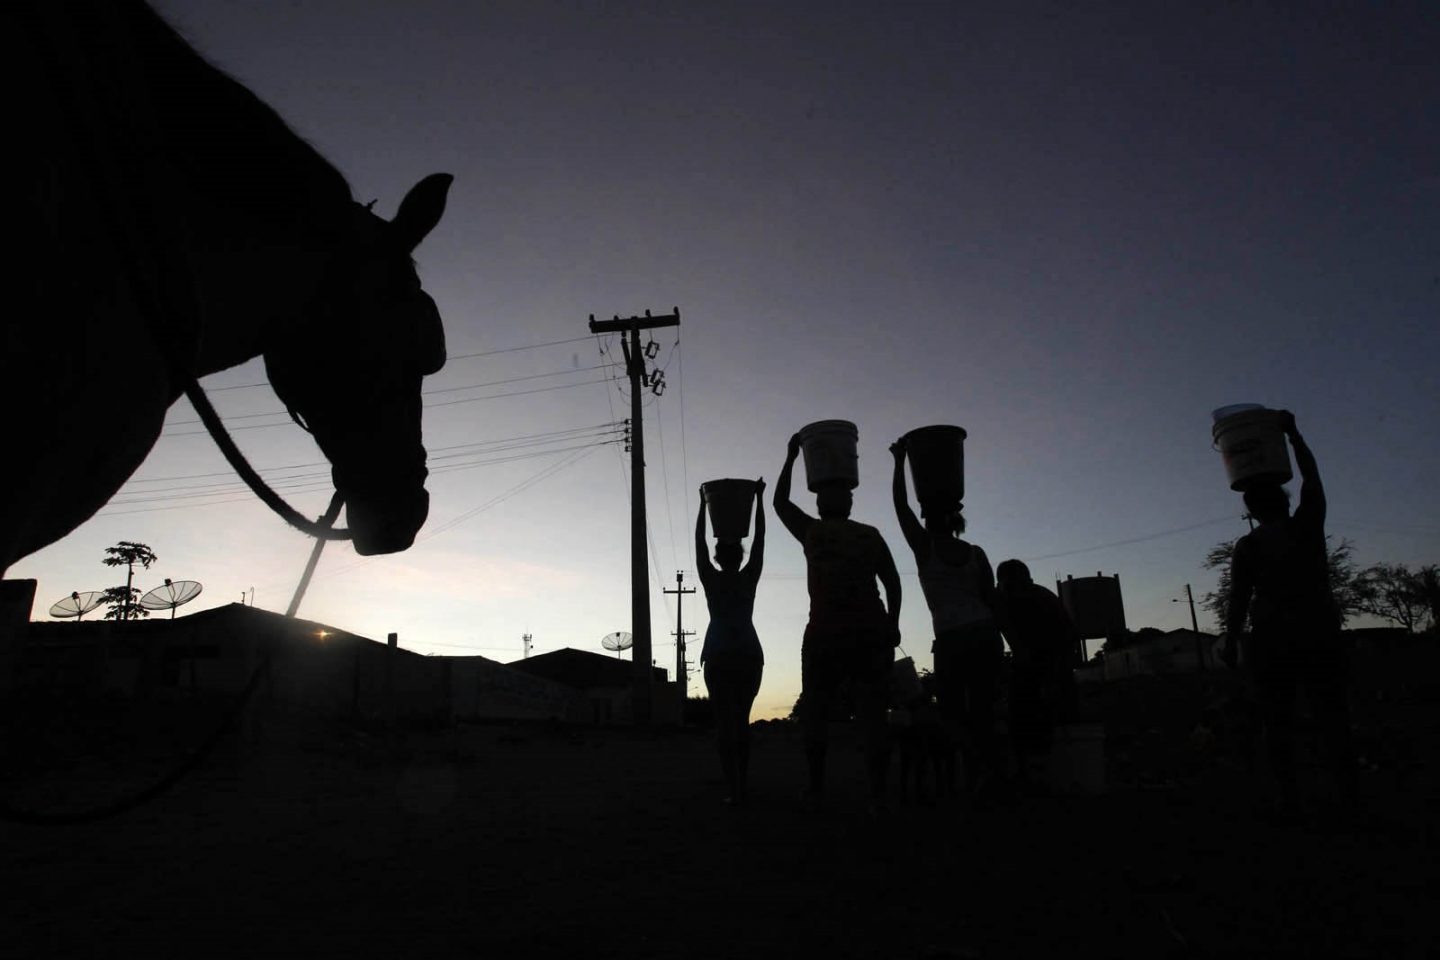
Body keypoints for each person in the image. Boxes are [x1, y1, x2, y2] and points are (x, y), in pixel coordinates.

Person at [1222, 410, 1357, 821]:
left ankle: (1290, 799)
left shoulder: (1248, 547)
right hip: (1318, 632)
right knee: (1330, 715)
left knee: (1276, 720)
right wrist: (1294, 436)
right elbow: (1312, 478)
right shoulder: (1307, 527)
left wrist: (1230, 641)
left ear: (1249, 507)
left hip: (1272, 639)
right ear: (1284, 499)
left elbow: (1239, 601)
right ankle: (1346, 794)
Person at [776, 433, 902, 811]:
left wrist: (791, 457)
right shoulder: (855, 534)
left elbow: (780, 502)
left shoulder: (819, 532)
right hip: (859, 633)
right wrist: (892, 623)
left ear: (822, 501)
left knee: (828, 713)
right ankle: (866, 791)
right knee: (863, 715)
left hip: (834, 635)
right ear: (845, 500)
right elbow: (893, 582)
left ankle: (825, 788)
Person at [890, 437, 1001, 799]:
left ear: (928, 517)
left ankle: (978, 772)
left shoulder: (925, 548)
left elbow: (900, 507)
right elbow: (991, 599)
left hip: (954, 638)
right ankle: (979, 778)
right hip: (985, 635)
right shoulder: (977, 553)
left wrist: (898, 462)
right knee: (982, 713)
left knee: (952, 716)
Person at [696, 479, 767, 805]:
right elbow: (762, 540)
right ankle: (744, 786)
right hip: (749, 656)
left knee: (725, 725)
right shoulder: (748, 579)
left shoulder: (711, 580)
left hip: (720, 656)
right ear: (740, 555)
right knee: (741, 722)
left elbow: (698, 543)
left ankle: (733, 789)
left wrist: (702, 505)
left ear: (718, 555)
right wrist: (760, 501)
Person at [994, 558, 1080, 791]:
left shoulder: (1042, 599)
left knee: (1046, 721)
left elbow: (1067, 639)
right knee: (1021, 721)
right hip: (1027, 667)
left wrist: (1054, 676)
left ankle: (1046, 776)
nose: (1012, 590)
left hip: (1050, 664)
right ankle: (1029, 775)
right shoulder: (1002, 599)